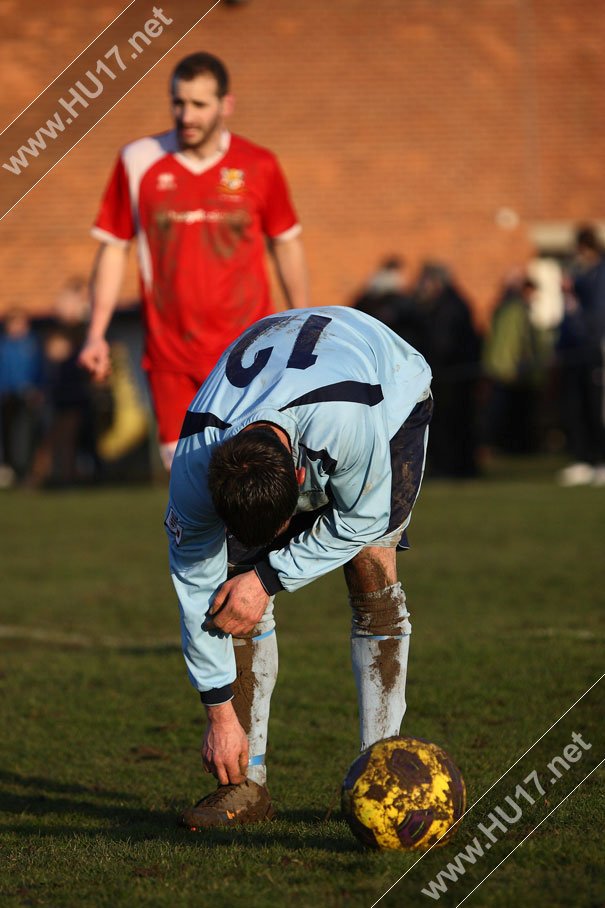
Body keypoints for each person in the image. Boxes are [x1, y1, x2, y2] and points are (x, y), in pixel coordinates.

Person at [165, 306, 433, 828]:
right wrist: (219, 716)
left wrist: (268, 577)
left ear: (298, 478)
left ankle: (379, 772)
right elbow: (196, 589)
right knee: (230, 591)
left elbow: (362, 520)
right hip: (289, 396)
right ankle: (247, 787)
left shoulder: (348, 424)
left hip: (388, 387)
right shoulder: (195, 464)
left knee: (369, 565)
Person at [79, 51, 309, 470]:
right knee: (190, 492)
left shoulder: (259, 165)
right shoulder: (138, 161)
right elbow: (114, 247)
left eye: (199, 104)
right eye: (178, 102)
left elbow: (286, 243)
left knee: (255, 483)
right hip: (172, 360)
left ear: (226, 105)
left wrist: (303, 322)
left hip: (249, 355)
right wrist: (96, 333)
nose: (187, 115)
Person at [413, 261, 481, 478]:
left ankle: (452, 467)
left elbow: (443, 344)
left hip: (452, 376)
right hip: (454, 374)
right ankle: (457, 466)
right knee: (455, 423)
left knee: (450, 424)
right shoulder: (451, 303)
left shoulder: (448, 306)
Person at [556, 225, 605, 486]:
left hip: (594, 351)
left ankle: (599, 460)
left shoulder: (599, 275)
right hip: (574, 352)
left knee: (596, 406)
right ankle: (582, 458)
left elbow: (596, 316)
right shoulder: (578, 274)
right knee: (575, 407)